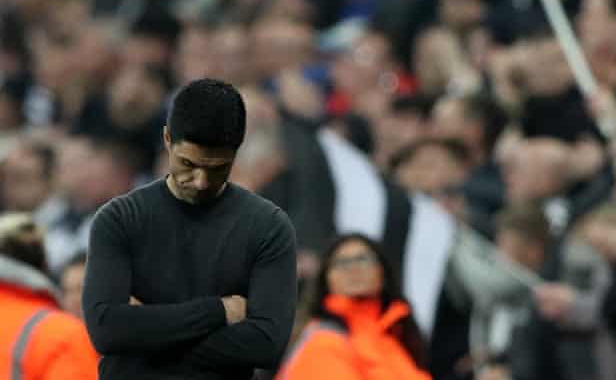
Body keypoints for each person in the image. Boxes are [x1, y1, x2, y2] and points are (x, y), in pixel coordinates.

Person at [82, 78, 297, 379]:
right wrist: (218, 311)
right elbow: (106, 330)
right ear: (167, 139)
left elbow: (266, 345)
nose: (200, 181)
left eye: (217, 168)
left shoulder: (267, 226)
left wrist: (144, 333)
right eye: (188, 163)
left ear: (237, 152)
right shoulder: (120, 218)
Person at [276, 233, 430, 380]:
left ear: (382, 271)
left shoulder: (394, 339)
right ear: (326, 280)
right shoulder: (323, 341)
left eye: (362, 259)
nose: (353, 268)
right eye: (341, 263)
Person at [0, 212, 98, 379]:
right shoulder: (60, 335)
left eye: (81, 289)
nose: (74, 300)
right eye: (67, 290)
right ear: (45, 267)